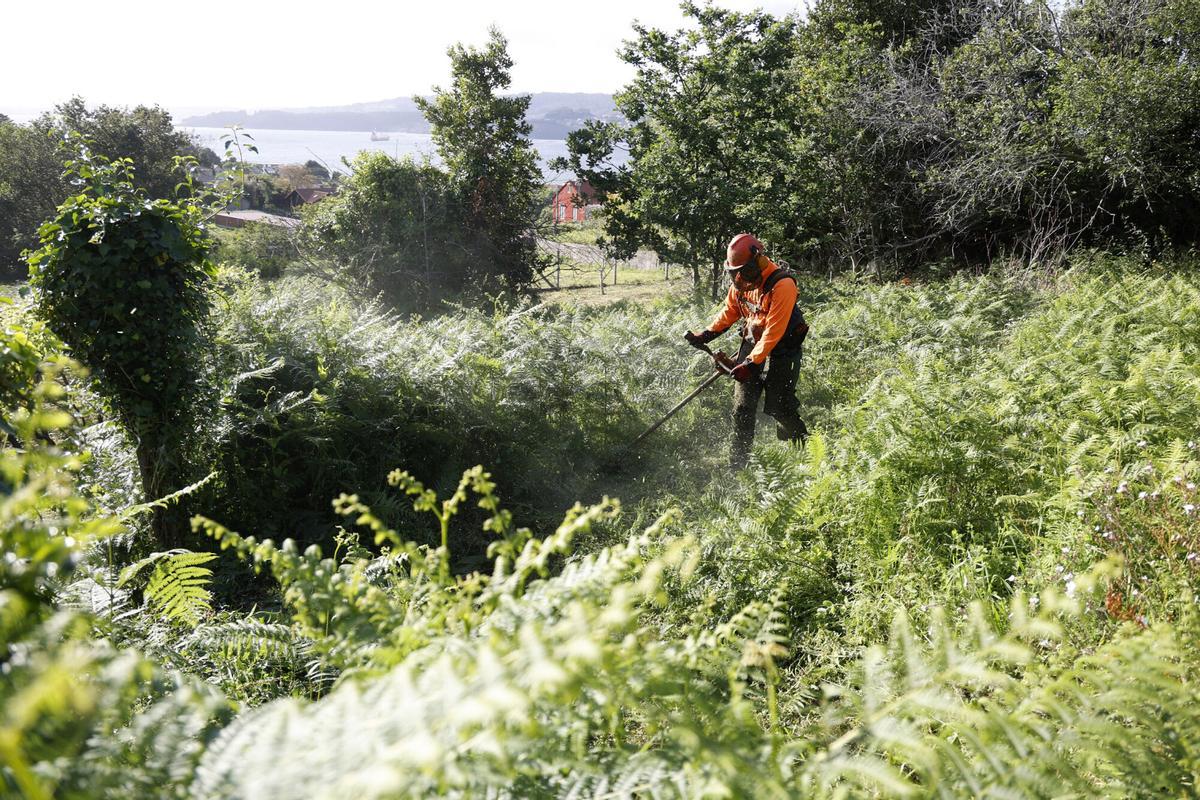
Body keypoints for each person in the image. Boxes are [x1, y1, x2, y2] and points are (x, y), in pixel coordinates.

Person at [685, 233, 808, 467]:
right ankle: (739, 464)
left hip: (782, 350)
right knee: (742, 407)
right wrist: (706, 334)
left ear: (757, 260)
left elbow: (774, 331)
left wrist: (750, 364)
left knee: (780, 408)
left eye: (743, 270)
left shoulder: (782, 284)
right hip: (753, 345)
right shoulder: (742, 284)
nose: (739, 277)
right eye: (735, 272)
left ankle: (807, 453)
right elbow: (730, 311)